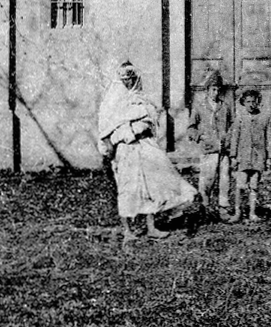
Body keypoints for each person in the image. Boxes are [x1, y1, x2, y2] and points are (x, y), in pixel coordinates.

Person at [97, 60, 198, 244]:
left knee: (152, 184)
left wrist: (140, 126)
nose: (129, 82)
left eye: (132, 78)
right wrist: (112, 145)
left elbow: (151, 119)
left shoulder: (142, 99)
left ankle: (152, 227)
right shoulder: (112, 102)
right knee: (128, 187)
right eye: (125, 79)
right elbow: (105, 128)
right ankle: (128, 230)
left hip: (145, 145)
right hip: (125, 149)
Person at [187, 70, 233, 219]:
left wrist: (229, 137)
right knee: (207, 178)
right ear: (207, 90)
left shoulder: (225, 106)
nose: (216, 92)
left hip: (224, 148)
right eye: (213, 89)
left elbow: (232, 125)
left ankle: (223, 207)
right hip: (208, 149)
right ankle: (204, 206)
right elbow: (191, 128)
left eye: (218, 89)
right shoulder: (199, 107)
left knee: (225, 178)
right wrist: (200, 137)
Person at [229, 86, 271, 222]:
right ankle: (238, 212)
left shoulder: (264, 117)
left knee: (254, 185)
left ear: (258, 102)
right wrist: (233, 156)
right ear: (243, 102)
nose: (251, 104)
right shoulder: (240, 118)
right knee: (240, 185)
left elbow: (269, 138)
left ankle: (252, 213)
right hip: (243, 157)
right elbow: (235, 138)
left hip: (258, 157)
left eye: (253, 101)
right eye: (248, 102)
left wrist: (270, 157)